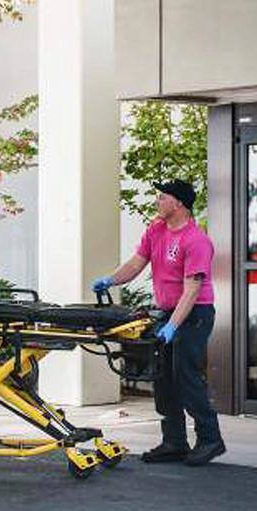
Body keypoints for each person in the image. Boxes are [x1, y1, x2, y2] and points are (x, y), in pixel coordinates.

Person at [92, 179, 226, 466]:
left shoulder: (196, 240)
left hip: (195, 314)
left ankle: (210, 439)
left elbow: (191, 291)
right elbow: (135, 263)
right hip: (167, 312)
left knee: (186, 375)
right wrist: (109, 280)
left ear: (178, 203)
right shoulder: (156, 230)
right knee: (164, 378)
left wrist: (173, 326)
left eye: (162, 197)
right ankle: (174, 442)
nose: (157, 201)